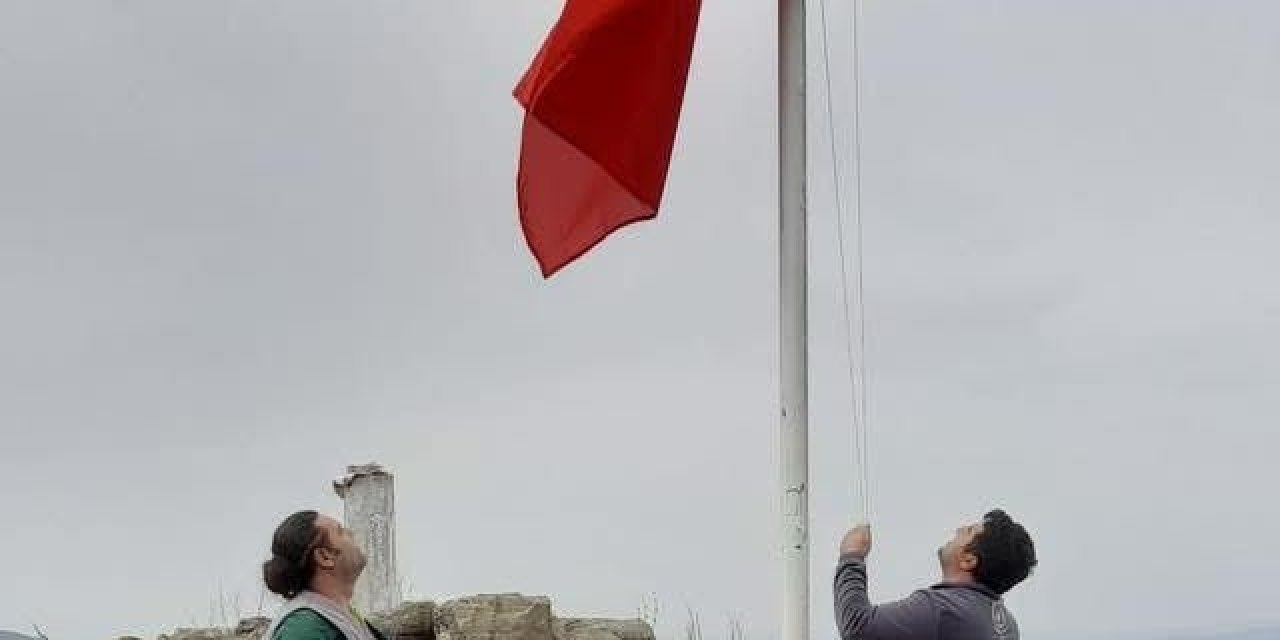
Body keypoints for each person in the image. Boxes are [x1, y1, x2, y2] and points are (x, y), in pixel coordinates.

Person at [834, 509, 1037, 640]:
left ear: (969, 561)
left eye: (968, 531)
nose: (958, 530)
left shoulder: (943, 609)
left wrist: (851, 556)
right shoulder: (1008, 625)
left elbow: (857, 627)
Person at [260, 510, 387, 640]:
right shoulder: (304, 630)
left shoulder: (342, 619)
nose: (351, 533)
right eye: (340, 532)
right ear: (325, 557)